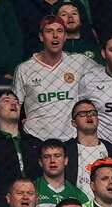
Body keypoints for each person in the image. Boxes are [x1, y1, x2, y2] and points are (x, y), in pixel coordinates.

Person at [12, 15, 99, 143]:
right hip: (35, 138)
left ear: (65, 37)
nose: (55, 35)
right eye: (49, 31)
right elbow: (14, 106)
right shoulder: (24, 69)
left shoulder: (79, 62)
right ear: (41, 37)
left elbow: (105, 74)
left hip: (71, 139)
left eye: (60, 31)